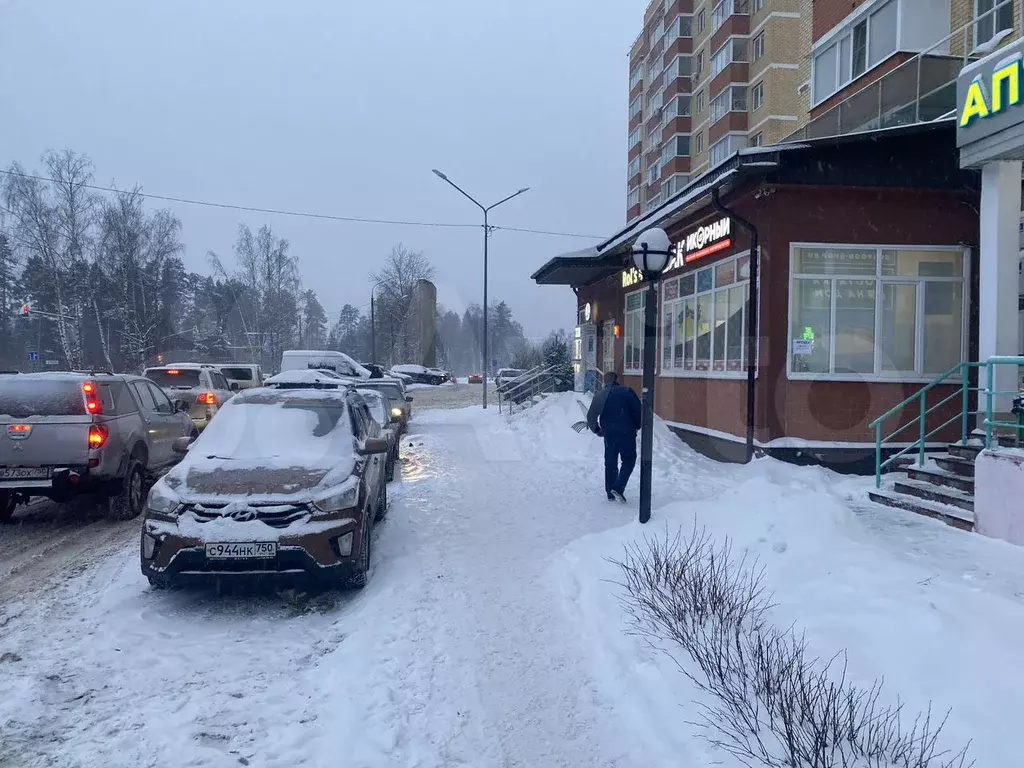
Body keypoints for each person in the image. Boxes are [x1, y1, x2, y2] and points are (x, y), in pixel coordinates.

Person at [586, 371, 642, 503]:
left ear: (605, 381)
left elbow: (591, 416)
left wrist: (597, 430)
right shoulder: (627, 391)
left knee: (610, 462)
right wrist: (636, 425)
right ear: (617, 380)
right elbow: (637, 409)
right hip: (626, 432)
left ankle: (610, 492)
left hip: (609, 433)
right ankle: (618, 488)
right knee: (628, 460)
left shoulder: (600, 395)